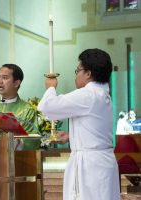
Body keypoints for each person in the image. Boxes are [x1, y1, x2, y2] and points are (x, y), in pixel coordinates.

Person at [38, 48, 120, 200]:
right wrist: (71, 136)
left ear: (88, 74)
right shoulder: (101, 94)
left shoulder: (88, 95)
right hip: (100, 163)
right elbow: (96, 129)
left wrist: (50, 87)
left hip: (91, 168)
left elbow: (47, 107)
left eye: (78, 70)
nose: (76, 75)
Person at [0, 64, 39, 150]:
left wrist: (17, 142)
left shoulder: (27, 110)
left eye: (4, 78)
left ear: (16, 83)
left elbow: (33, 139)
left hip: (16, 158)